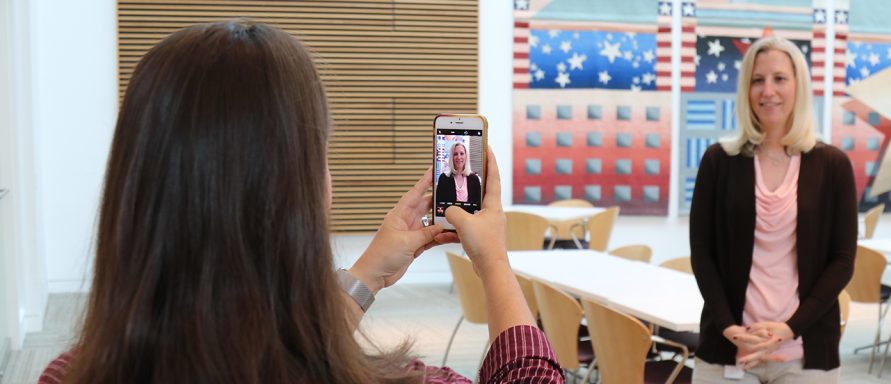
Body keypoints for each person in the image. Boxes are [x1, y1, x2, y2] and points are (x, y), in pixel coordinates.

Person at [38, 20, 562, 384]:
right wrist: (493, 260)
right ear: (308, 192)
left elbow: (271, 352)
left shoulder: (63, 375)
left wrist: (368, 274)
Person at [688, 36, 856, 383]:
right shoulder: (718, 161)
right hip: (729, 349)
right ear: (746, 89)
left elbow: (842, 261)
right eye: (757, 80)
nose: (768, 91)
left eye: (780, 78)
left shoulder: (832, 165)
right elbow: (703, 255)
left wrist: (788, 328)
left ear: (798, 86)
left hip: (804, 353)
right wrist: (730, 329)